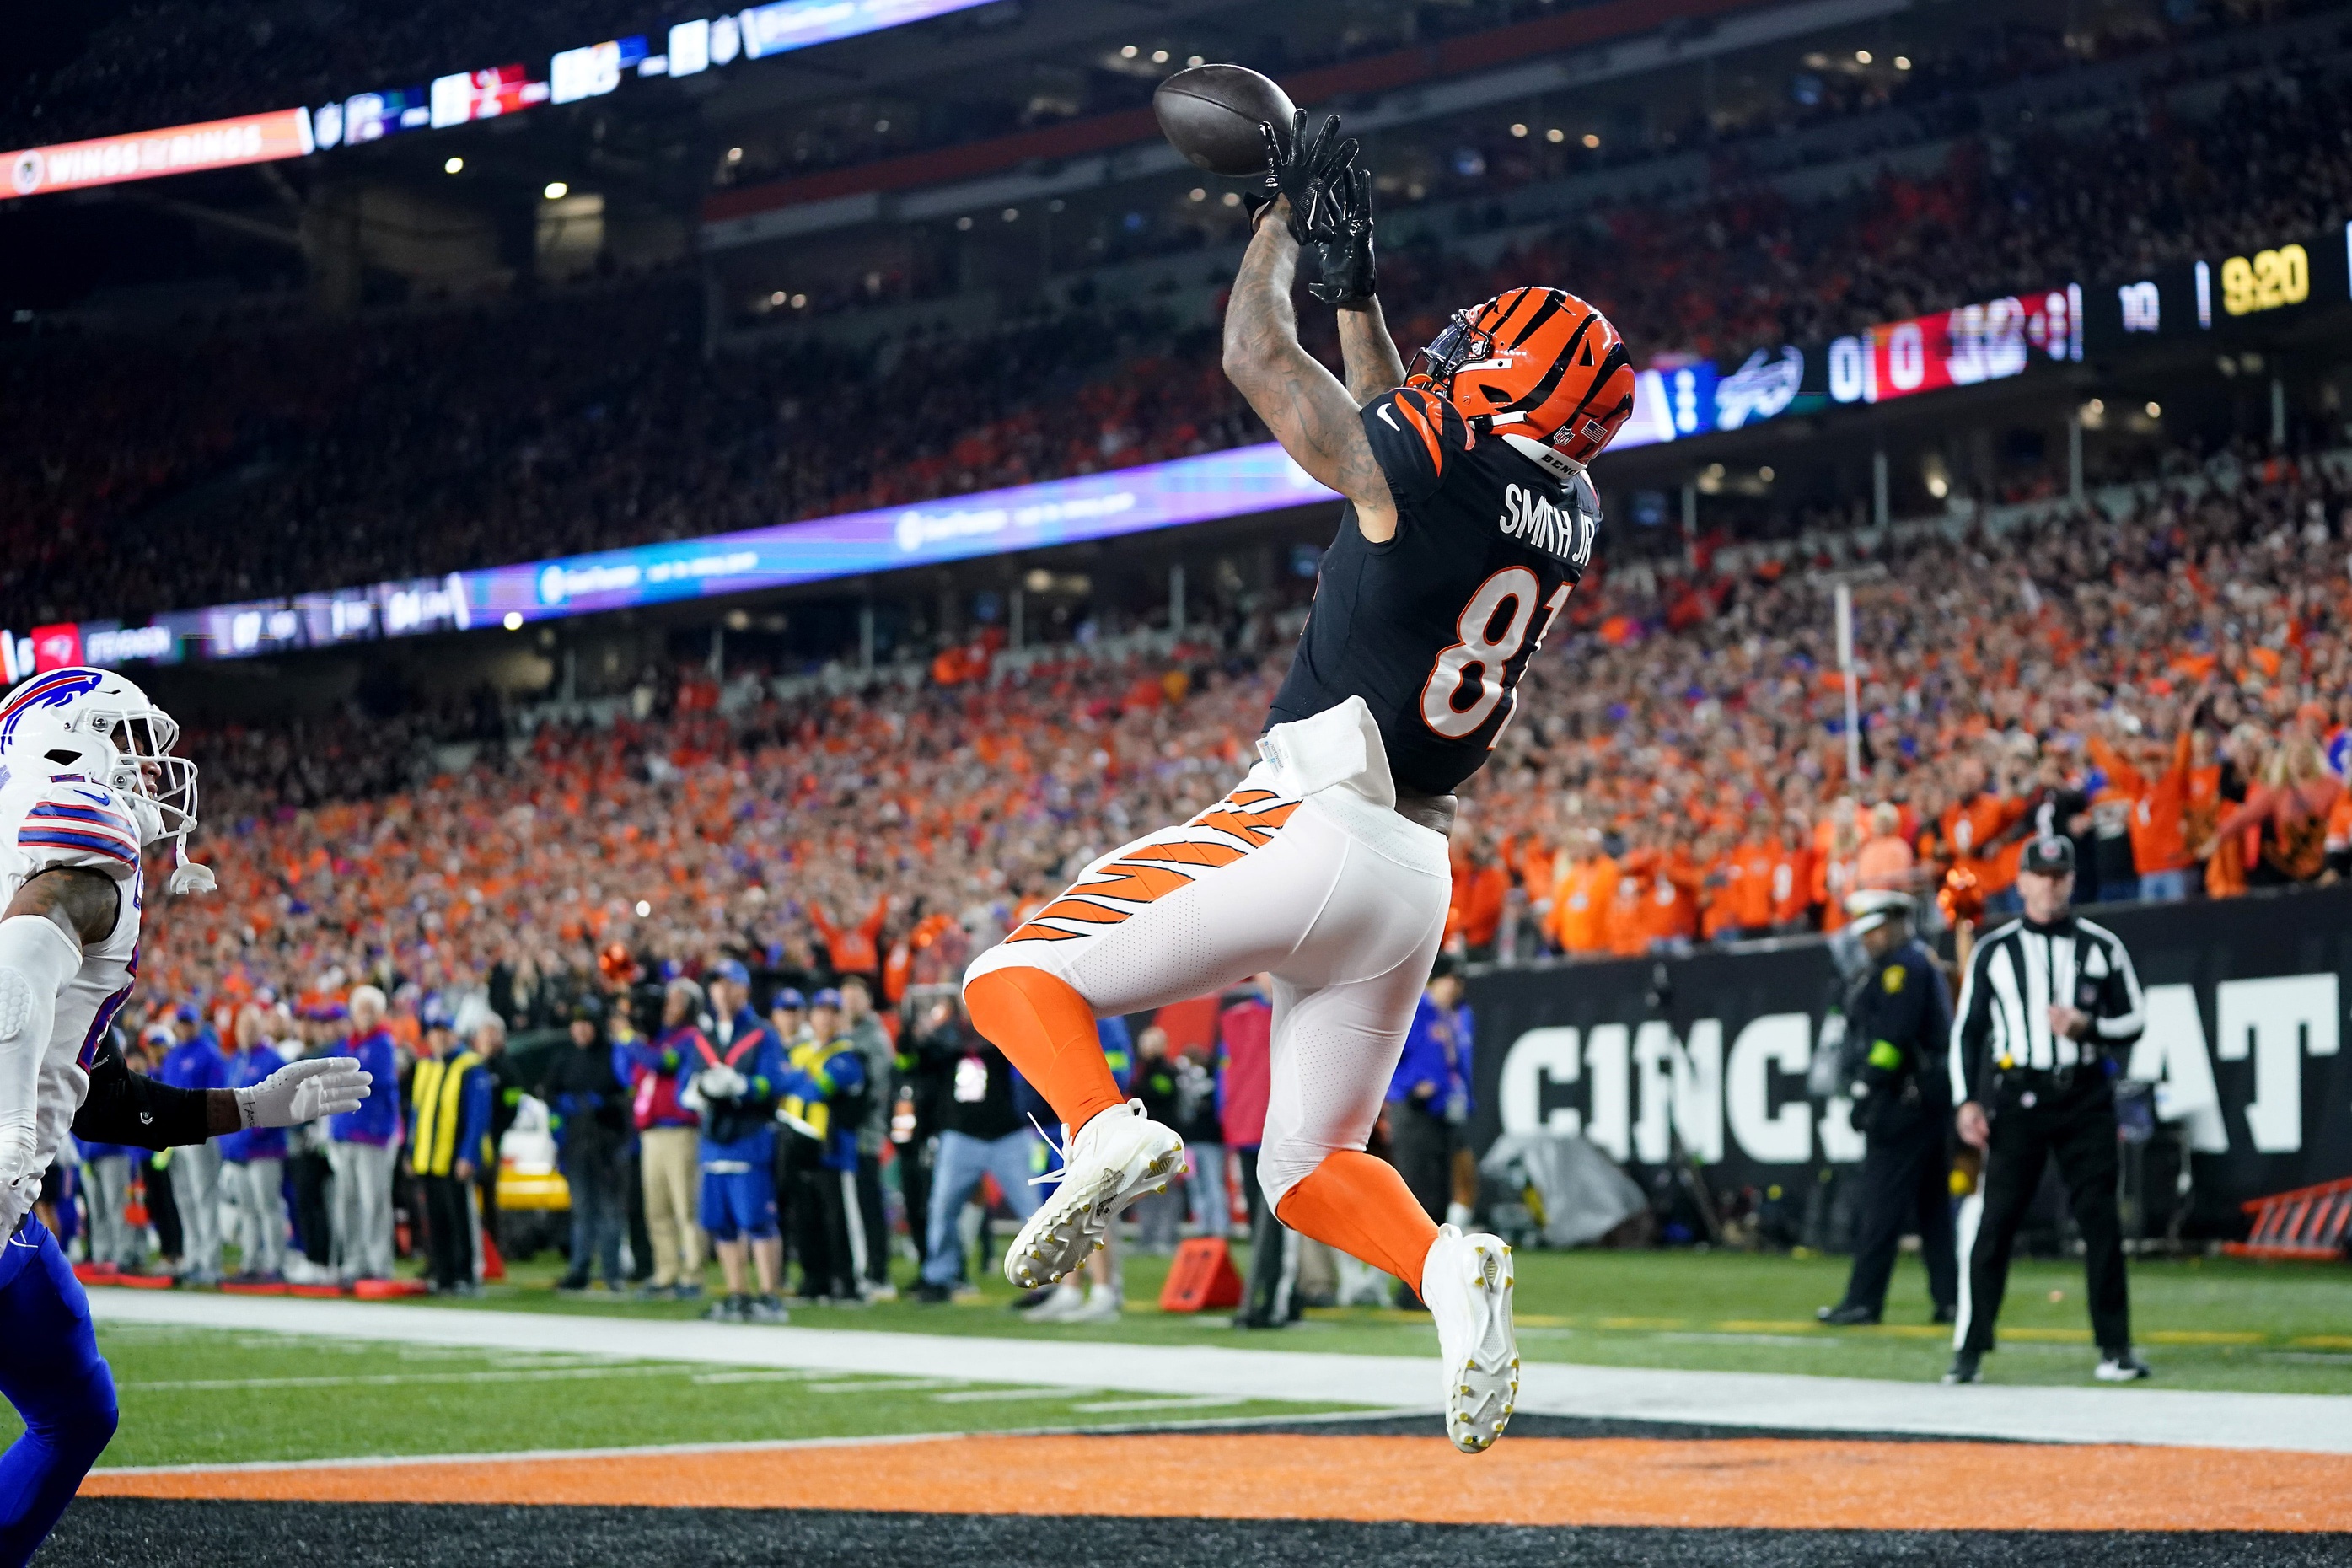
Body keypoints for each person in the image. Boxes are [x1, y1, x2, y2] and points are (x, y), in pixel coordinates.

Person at [956, 117, 1630, 1453]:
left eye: (1480, 345)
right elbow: (1402, 429)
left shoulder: (1445, 459)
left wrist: (1276, 219)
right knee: (1308, 1169)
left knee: (1011, 978)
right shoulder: (1565, 507)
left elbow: (1256, 361)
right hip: (1412, 872)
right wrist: (1360, 287)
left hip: (1314, 816)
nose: (1457, 350)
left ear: (1505, 379)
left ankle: (1098, 1131)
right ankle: (1447, 1270)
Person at [0, 666, 369, 1563]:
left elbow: (107, 1100)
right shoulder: (80, 845)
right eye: (135, 745)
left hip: (10, 1216)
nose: (158, 773)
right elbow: (13, 977)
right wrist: (6, 1150)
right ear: (71, 740)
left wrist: (248, 1104)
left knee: (79, 1409)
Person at [1947, 836, 2151, 1385]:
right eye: (2042, 874)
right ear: (2023, 882)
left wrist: (2090, 1028)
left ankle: (2116, 1346)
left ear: (2072, 880)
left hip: (2084, 1093)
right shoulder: (1995, 950)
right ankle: (1969, 1348)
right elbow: (1968, 1031)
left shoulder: (2102, 945)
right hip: (2020, 1098)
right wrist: (1967, 1099)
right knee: (1997, 1222)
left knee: (2101, 1223)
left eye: (2060, 874)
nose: (2051, 883)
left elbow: (2135, 1019)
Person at [1815, 891, 1957, 1328]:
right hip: (1929, 1099)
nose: (1869, 940)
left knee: (1881, 1203)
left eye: (1875, 929)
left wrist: (1865, 1088)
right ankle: (1950, 1299)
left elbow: (1891, 1041)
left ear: (1896, 923)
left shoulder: (1904, 970)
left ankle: (1863, 1299)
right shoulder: (1913, 964)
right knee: (1934, 1209)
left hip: (1905, 1103)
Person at [907, 1008, 1038, 1303]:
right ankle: (939, 1276)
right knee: (942, 1208)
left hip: (1007, 1133)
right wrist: (920, 1034)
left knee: (1035, 1212)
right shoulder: (945, 1033)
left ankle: (1045, 1282)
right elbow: (917, 1060)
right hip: (960, 1135)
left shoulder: (1002, 1026)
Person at [690, 964, 787, 1323]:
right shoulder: (705, 1035)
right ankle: (736, 1293)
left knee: (757, 1219)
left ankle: (769, 1295)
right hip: (715, 1137)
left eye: (728, 985)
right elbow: (690, 1077)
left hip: (749, 1135)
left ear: (743, 989)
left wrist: (742, 1086)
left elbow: (774, 1081)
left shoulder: (762, 1033)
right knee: (720, 1222)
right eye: (716, 986)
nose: (721, 993)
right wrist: (698, 1090)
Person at [777, 988, 867, 1302]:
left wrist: (795, 1080)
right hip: (799, 1148)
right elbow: (781, 1083)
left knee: (838, 1218)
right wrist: (798, 1080)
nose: (826, 1017)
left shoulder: (848, 1055)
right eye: (820, 1010)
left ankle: (849, 1281)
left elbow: (819, 1090)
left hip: (834, 1150)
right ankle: (815, 1280)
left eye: (833, 1011)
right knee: (806, 1217)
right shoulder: (802, 1051)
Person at [620, 979, 705, 1297]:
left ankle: (692, 1274)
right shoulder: (655, 1039)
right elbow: (627, 1075)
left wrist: (628, 1039)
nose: (667, 1007)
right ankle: (665, 1270)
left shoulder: (691, 1038)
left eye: (676, 1002)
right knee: (656, 1208)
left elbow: (661, 1064)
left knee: (686, 1206)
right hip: (651, 1132)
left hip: (680, 1130)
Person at [541, 1000, 628, 1293]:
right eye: (576, 1024)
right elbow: (550, 1094)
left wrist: (601, 1106)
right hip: (577, 1143)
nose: (580, 1030)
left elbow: (622, 1092)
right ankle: (579, 1269)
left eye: (586, 1024)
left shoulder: (611, 1054)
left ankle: (612, 1271)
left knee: (608, 1209)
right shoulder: (564, 1058)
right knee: (582, 1210)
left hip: (606, 1142)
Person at [407, 1001, 490, 1294]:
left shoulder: (470, 1066)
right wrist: (410, 1149)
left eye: (444, 1031)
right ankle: (443, 1275)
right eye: (434, 1032)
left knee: (460, 1218)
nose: (439, 1037)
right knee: (437, 1220)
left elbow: (478, 1116)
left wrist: (469, 1154)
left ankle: (466, 1274)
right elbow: (417, 1112)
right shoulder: (427, 1066)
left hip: (454, 1155)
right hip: (428, 1156)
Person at [1386, 955, 1474, 1231]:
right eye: (1451, 979)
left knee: (1438, 1200)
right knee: (1417, 1197)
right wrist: (1408, 1088)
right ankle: (1410, 1272)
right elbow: (1383, 1058)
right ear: (1435, 980)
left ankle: (1427, 1271)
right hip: (1413, 1114)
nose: (1456, 987)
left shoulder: (1447, 1016)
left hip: (1441, 1115)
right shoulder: (1413, 1011)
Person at [326, 985, 400, 1285]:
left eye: (371, 1009)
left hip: (372, 1132)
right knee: (349, 1200)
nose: (366, 1015)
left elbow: (371, 1082)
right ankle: (355, 1260)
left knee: (374, 1200)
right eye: (361, 1009)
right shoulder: (348, 1045)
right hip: (347, 1131)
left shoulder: (382, 1044)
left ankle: (378, 1261)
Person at [835, 975, 898, 1299]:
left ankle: (878, 1271)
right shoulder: (848, 1033)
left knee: (868, 1205)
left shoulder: (873, 1037)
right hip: (845, 1135)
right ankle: (862, 1268)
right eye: (845, 998)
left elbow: (873, 1089)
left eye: (855, 998)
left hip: (865, 1134)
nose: (849, 1004)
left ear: (868, 1001)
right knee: (854, 1206)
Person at [218, 1005, 291, 1282]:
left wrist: (250, 1133)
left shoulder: (272, 1060)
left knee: (267, 1206)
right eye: (242, 1027)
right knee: (248, 1210)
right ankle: (251, 1262)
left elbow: (278, 1105)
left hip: (264, 1149)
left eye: (252, 1026)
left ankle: (276, 1263)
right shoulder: (236, 1060)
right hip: (239, 1150)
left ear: (262, 1029)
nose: (246, 1032)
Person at [156, 1006, 227, 1284]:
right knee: (184, 1198)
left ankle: (211, 1261)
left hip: (199, 1136)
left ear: (197, 1025)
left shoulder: (209, 1054)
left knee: (204, 1197)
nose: (185, 1028)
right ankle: (194, 1256)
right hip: (176, 1137)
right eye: (181, 1023)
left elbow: (217, 1096)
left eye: (188, 1023)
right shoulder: (173, 1056)